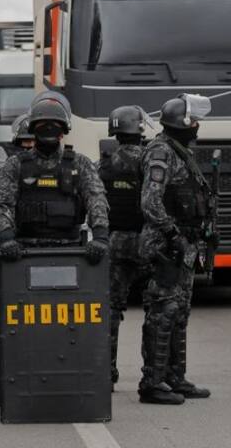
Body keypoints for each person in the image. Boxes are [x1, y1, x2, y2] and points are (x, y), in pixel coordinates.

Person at [138, 94, 214, 405]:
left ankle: (175, 378)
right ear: (180, 124)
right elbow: (150, 201)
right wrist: (172, 234)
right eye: (193, 122)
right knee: (162, 313)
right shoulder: (161, 151)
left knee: (179, 313)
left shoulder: (181, 152)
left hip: (183, 244)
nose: (197, 127)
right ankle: (152, 382)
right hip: (166, 246)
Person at [0, 96, 110, 260]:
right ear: (33, 130)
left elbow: (96, 200)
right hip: (23, 251)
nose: (49, 129)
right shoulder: (15, 165)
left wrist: (100, 236)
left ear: (63, 132)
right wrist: (6, 238)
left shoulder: (80, 164)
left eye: (55, 126)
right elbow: (2, 205)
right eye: (43, 125)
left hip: (71, 249)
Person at [98, 105, 152, 387]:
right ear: (140, 129)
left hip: (115, 243)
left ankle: (106, 371)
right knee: (156, 309)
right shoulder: (149, 161)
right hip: (147, 242)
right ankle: (155, 375)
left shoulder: (104, 164)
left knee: (110, 310)